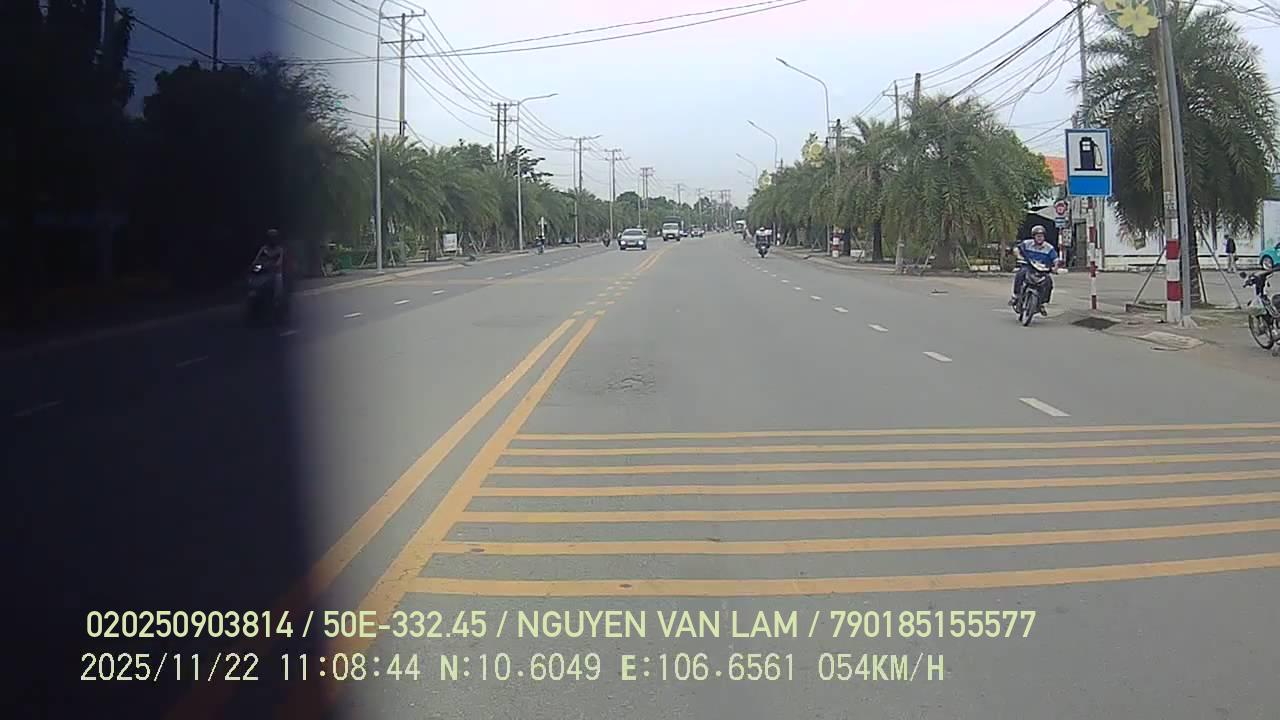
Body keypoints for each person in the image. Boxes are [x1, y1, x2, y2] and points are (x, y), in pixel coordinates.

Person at [1010, 225, 1058, 314]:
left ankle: (1042, 303)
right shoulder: (1027, 243)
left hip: (1042, 269)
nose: (1039, 238)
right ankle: (1016, 295)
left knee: (1048, 281)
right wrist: (1018, 256)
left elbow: (1055, 259)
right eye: (1037, 236)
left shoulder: (1049, 248)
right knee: (1020, 274)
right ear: (1034, 237)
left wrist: (1055, 267)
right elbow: (1016, 248)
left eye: (1041, 236)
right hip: (1028, 266)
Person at [254, 228, 286, 303]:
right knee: (255, 278)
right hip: (264, 271)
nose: (272, 239)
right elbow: (257, 258)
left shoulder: (279, 249)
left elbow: (280, 260)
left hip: (275, 272)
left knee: (278, 282)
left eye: (274, 237)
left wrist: (276, 264)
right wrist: (254, 264)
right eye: (270, 237)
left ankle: (277, 300)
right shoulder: (264, 248)